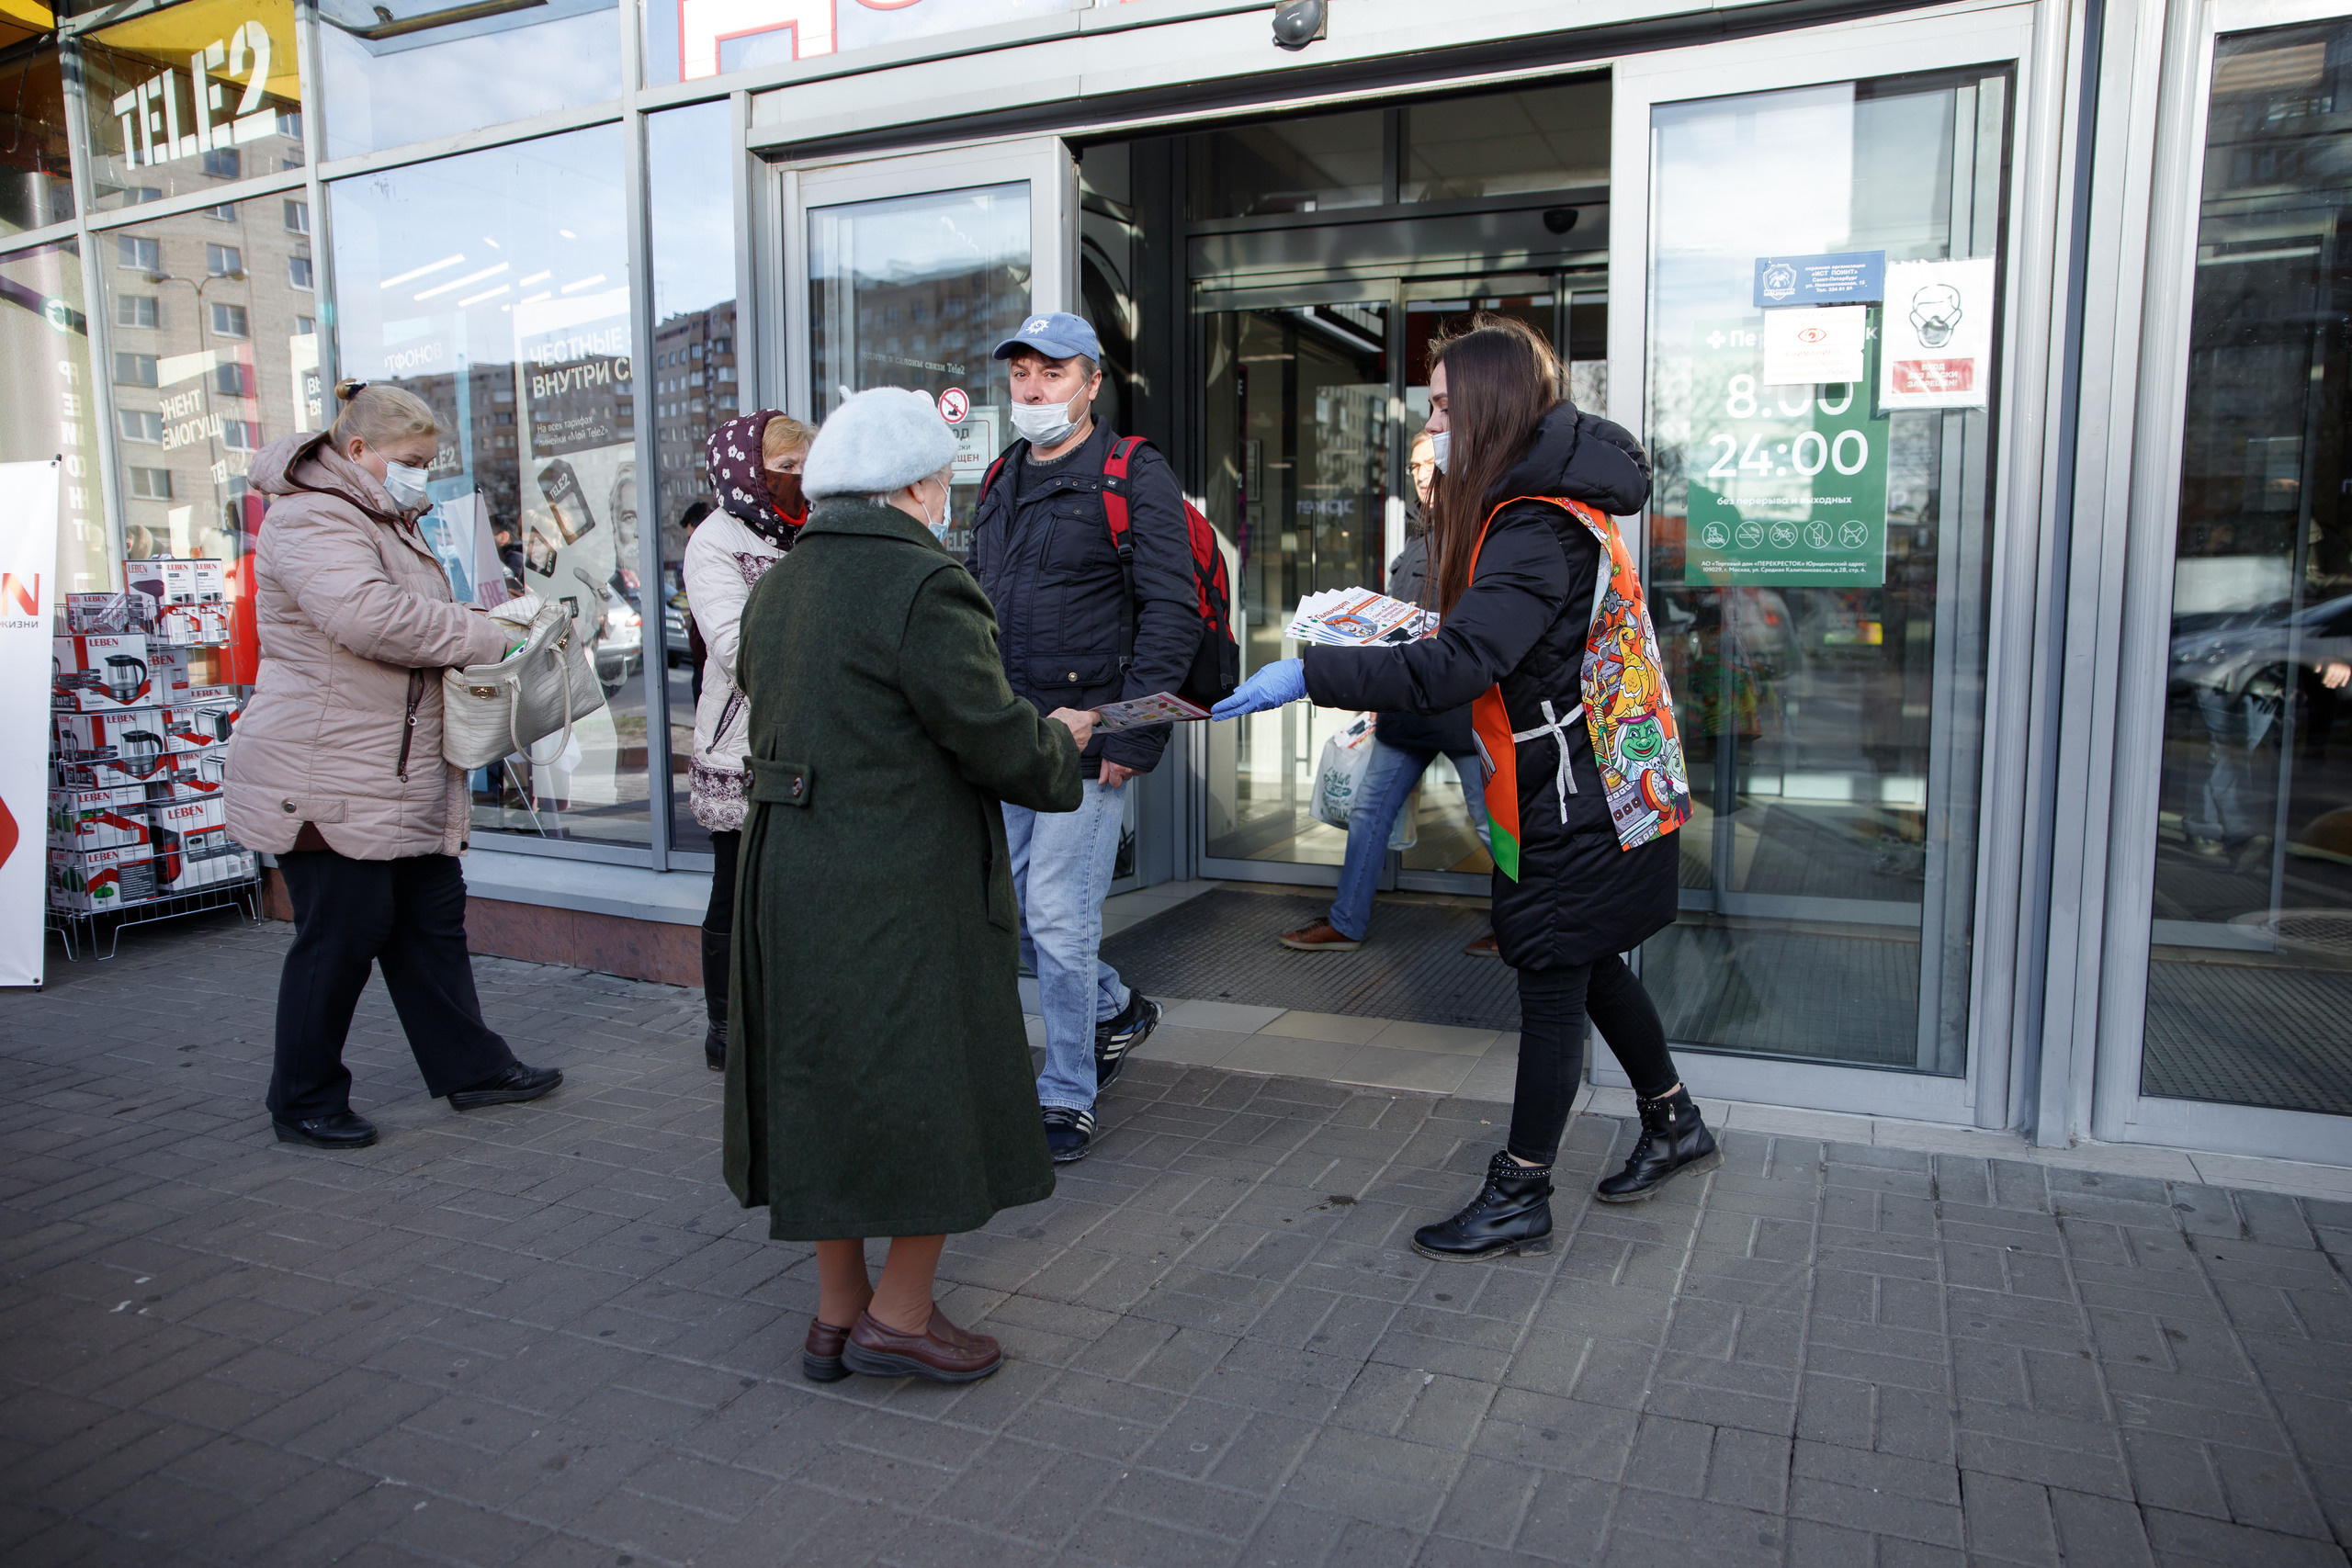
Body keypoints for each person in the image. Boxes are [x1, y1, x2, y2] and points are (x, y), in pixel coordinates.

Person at [1213, 318, 1719, 1256]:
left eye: (1443, 403)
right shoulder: (1544, 501)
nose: (1431, 419)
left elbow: (1457, 667)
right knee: (1588, 958)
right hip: (1593, 781)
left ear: (1485, 407)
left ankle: (1522, 1189)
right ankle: (1673, 1120)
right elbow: (1499, 644)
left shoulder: (1528, 523)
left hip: (1569, 795)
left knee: (1552, 982)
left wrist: (1313, 673)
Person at [723, 388, 1098, 1382]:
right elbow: (990, 739)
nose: (950, 498)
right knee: (932, 1080)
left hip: (788, 869)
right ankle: (900, 1313)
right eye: (944, 480)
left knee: (824, 1086)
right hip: (895, 876)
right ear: (916, 485)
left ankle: (836, 1314)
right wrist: (1057, 741)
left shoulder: (782, 583)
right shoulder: (923, 585)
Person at [227, 380, 563, 1150]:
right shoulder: (312, 514)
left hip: (394, 768)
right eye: (412, 460)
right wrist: (489, 635)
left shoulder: (383, 516)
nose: (422, 474)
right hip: (327, 769)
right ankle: (302, 1097)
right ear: (357, 451)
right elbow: (370, 618)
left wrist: (481, 618)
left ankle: (471, 1067)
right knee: (341, 932)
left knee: (430, 922)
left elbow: (410, 617)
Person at [968, 311, 1190, 1163]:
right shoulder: (998, 476)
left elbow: (1174, 615)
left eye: (1052, 373)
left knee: (1058, 915)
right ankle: (1115, 1008)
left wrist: (1128, 736)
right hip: (1011, 737)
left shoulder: (1134, 474)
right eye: (1021, 372)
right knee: (1017, 911)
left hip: (1090, 738)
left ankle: (1067, 1090)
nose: (1032, 388)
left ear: (1093, 382)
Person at [1279, 428, 1497, 956]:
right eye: (1415, 468)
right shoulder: (1420, 540)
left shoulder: (1480, 535)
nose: (1422, 476)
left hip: (1462, 708)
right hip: (1409, 708)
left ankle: (1525, 925)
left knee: (1493, 826)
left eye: (1430, 464)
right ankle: (1345, 922)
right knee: (1371, 811)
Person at [684, 412, 812, 1072]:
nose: (796, 481)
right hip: (742, 739)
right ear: (747, 472)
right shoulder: (715, 539)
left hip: (811, 739)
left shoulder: (812, 529)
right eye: (784, 469)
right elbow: (738, 647)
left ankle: (787, 1014)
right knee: (736, 887)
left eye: (803, 467)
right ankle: (725, 1027)